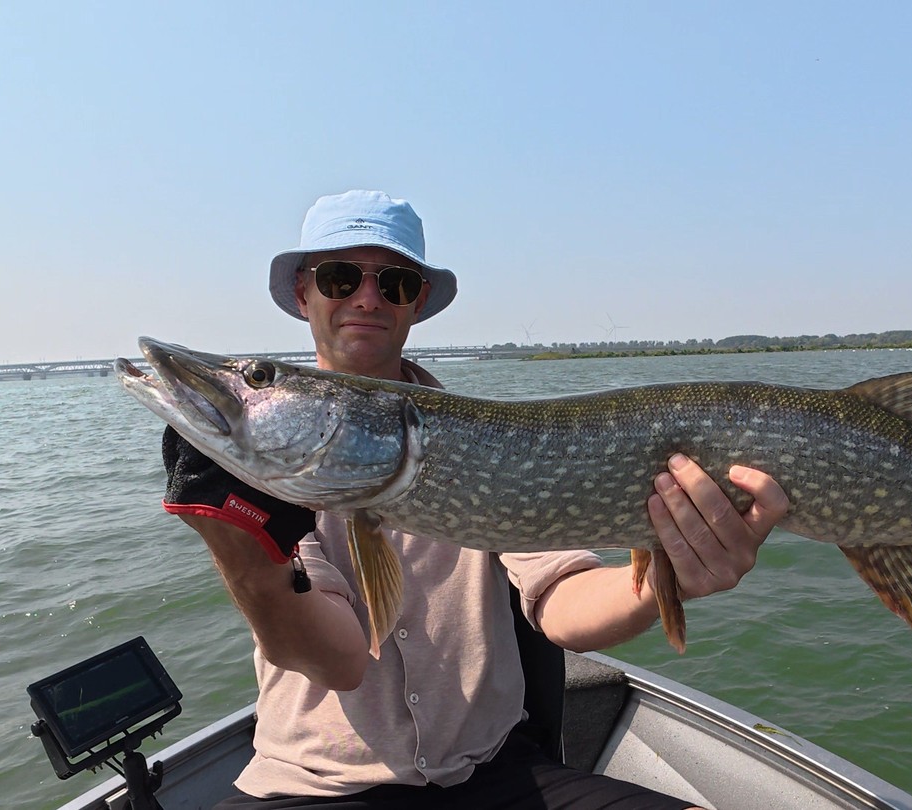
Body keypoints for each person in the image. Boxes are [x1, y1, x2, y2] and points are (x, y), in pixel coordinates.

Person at [161, 190, 790, 809]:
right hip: (317, 786)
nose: (368, 298)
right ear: (304, 293)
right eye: (340, 277)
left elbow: (563, 604)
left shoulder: (491, 440)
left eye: (395, 283)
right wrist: (242, 548)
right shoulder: (275, 473)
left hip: (493, 771)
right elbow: (337, 662)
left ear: (418, 302)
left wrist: (663, 581)